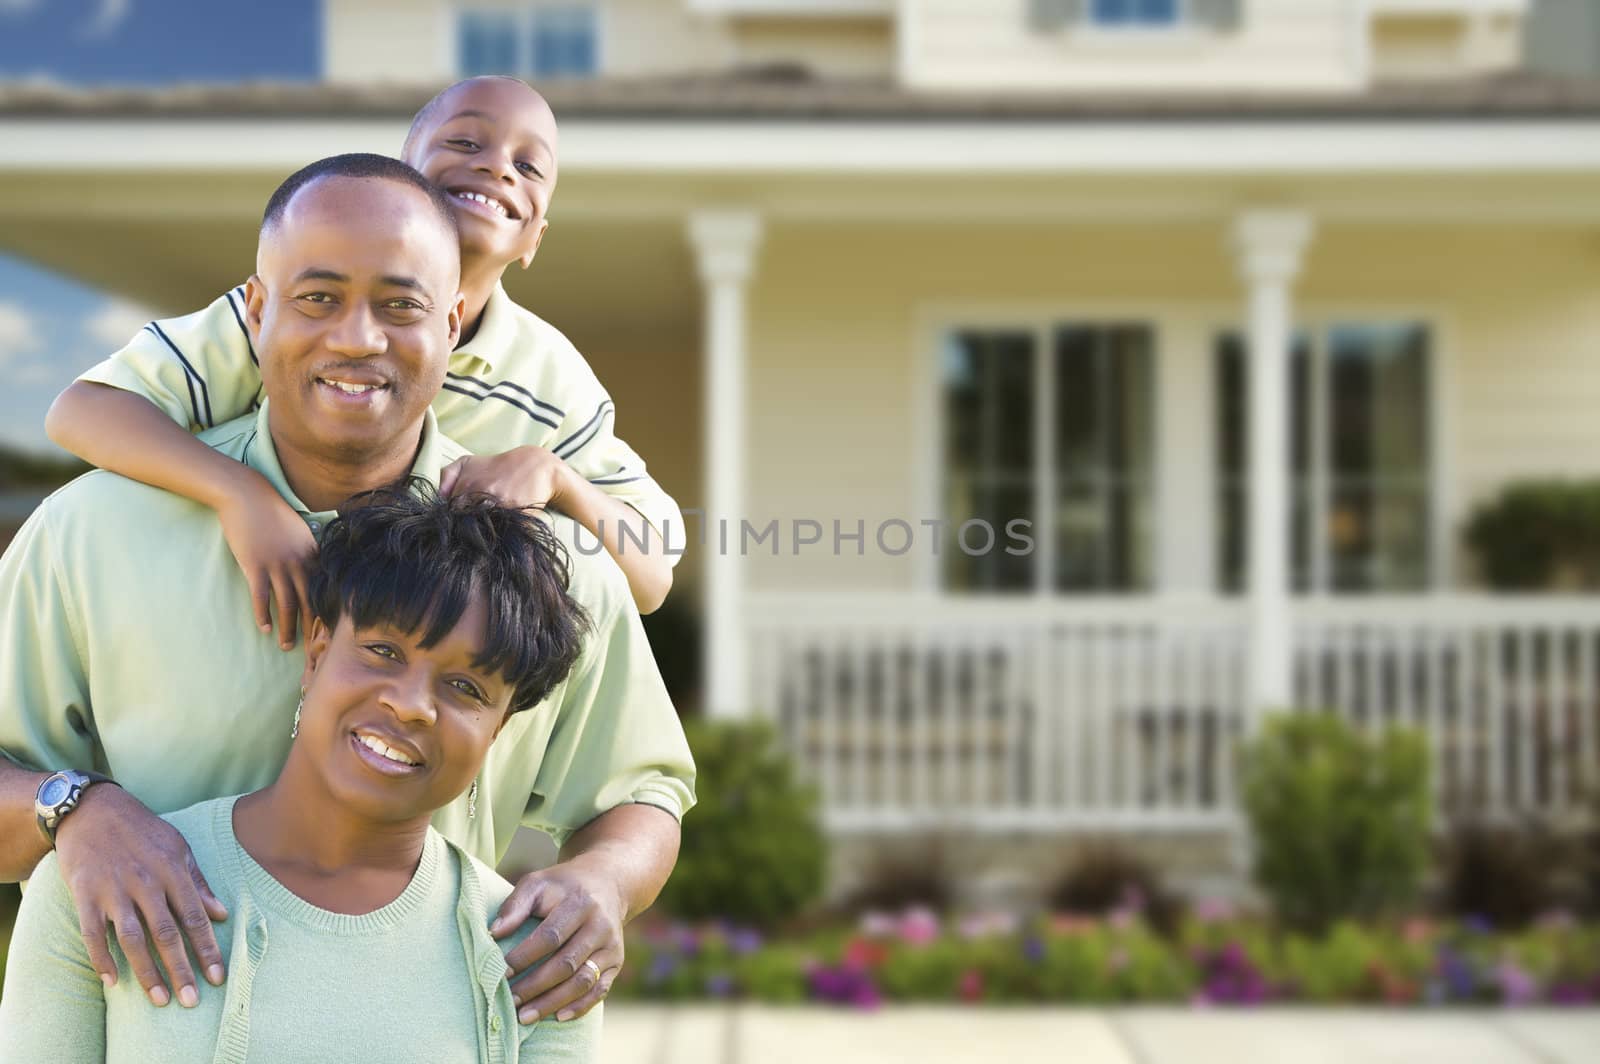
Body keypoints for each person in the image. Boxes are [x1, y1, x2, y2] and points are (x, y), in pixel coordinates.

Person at [0, 154, 693, 1030]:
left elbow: (641, 792)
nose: (358, 338)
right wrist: (75, 811)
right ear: (257, 313)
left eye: (401, 306)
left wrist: (602, 882)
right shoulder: (89, 534)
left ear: (452, 322)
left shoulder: (549, 569)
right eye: (318, 297)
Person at [46, 75, 679, 632]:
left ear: (535, 238)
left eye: (529, 165)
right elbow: (82, 412)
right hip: (236, 615)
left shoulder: (552, 379)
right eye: (465, 142)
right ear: (400, 175)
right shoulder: (291, 315)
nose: (497, 168)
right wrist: (240, 495)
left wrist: (557, 477)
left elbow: (650, 580)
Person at [0, 487, 601, 1063]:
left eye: (467, 687)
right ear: (316, 655)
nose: (413, 704)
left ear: (496, 732)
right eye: (384, 651)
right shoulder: (102, 884)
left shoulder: (540, 956)